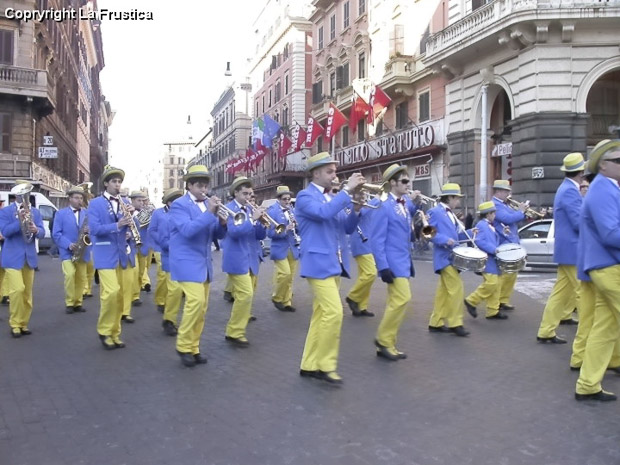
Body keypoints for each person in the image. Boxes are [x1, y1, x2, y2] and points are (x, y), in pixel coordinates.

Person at [295, 152, 364, 384]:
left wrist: (357, 208)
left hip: (334, 262)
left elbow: (347, 228)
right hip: (317, 263)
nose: (335, 176)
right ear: (316, 173)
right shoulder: (305, 196)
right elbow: (323, 214)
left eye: (335, 171)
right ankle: (325, 365)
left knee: (321, 315)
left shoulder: (332, 197)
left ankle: (309, 364)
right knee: (334, 313)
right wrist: (347, 192)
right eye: (330, 171)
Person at [575, 138, 620, 401]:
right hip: (610, 266)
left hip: (604, 266)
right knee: (605, 327)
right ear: (603, 165)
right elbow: (611, 234)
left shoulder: (606, 187)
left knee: (605, 328)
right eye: (618, 160)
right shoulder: (603, 189)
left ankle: (588, 385)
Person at [168, 165, 227, 367]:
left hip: (204, 262)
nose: (204, 189)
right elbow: (188, 230)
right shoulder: (179, 205)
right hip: (185, 260)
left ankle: (194, 348)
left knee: (201, 308)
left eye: (206, 186)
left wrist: (222, 223)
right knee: (195, 301)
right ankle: (183, 345)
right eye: (200, 185)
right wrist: (210, 212)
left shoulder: (206, 206)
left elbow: (216, 235)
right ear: (189, 186)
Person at [370, 164, 420, 360]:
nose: (408, 184)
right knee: (402, 299)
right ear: (392, 183)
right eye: (404, 181)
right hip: (393, 262)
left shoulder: (404, 203)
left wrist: (416, 203)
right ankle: (383, 339)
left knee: (395, 302)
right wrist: (383, 266)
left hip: (403, 260)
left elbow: (407, 218)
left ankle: (388, 344)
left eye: (409, 181)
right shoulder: (383, 206)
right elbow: (377, 239)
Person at [536, 153, 585, 343]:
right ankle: (588, 336)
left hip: (567, 250)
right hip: (573, 250)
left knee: (560, 293)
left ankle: (546, 331)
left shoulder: (565, 188)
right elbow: (578, 222)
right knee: (583, 293)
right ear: (581, 172)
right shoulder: (570, 191)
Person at [88, 165, 135, 349]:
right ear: (106, 183)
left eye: (119, 182)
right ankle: (104, 331)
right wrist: (118, 225)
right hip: (104, 252)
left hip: (122, 252)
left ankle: (115, 333)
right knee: (111, 292)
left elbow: (130, 227)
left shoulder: (125, 202)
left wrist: (130, 222)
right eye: (114, 181)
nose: (117, 185)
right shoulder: (95, 203)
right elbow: (95, 229)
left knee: (120, 296)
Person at [221, 177, 267, 346]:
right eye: (245, 193)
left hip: (251, 257)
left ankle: (235, 329)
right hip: (236, 258)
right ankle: (234, 332)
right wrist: (253, 219)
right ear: (236, 193)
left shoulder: (249, 209)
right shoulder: (228, 209)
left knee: (246, 294)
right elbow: (234, 232)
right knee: (246, 294)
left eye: (250, 194)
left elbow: (259, 236)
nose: (248, 197)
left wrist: (262, 223)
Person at [0, 180, 45, 338]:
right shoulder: (6, 212)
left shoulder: (36, 212)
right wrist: (19, 221)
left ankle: (23, 323)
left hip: (29, 257)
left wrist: (36, 229)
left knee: (27, 294)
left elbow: (42, 232)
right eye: (20, 193)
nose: (23, 196)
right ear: (15, 195)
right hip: (12, 256)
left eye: (26, 193)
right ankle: (15, 323)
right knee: (17, 290)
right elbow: (5, 232)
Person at [427, 183, 471, 336]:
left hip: (451, 257)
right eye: (457, 198)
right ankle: (455, 323)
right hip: (444, 257)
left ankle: (436, 322)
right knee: (457, 289)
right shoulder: (435, 211)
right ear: (450, 198)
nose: (458, 201)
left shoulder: (451, 214)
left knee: (444, 292)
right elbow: (427, 232)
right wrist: (445, 240)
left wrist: (471, 232)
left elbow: (456, 236)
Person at [464, 202, 508, 320]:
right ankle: (471, 301)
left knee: (497, 284)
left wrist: (504, 234)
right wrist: (494, 250)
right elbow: (479, 241)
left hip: (493, 260)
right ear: (488, 214)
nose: (495, 215)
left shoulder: (489, 225)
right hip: (487, 259)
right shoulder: (482, 225)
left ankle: (493, 310)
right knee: (491, 283)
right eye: (493, 213)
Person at [150, 188, 184, 336]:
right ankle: (169, 320)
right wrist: (163, 243)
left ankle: (171, 318)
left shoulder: (183, 213)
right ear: (169, 202)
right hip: (166, 252)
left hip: (183, 254)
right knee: (174, 288)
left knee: (179, 290)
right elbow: (152, 230)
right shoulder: (158, 213)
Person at [52, 185, 90, 314]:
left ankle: (78, 302)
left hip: (83, 250)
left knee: (81, 278)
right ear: (70, 199)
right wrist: (68, 244)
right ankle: (69, 302)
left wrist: (89, 231)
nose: (79, 200)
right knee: (69, 275)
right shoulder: (60, 213)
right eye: (76, 198)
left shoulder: (87, 214)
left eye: (81, 198)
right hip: (67, 251)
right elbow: (56, 233)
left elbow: (95, 231)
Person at [491, 180, 528, 311]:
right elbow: (507, 219)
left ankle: (504, 300)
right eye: (506, 191)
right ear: (498, 191)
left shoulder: (505, 205)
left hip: (511, 241)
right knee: (504, 275)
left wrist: (521, 212)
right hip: (504, 242)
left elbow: (513, 217)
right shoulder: (495, 205)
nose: (508, 194)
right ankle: (497, 301)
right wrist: (521, 211)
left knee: (512, 274)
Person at [266, 185, 300, 313]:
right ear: (279, 199)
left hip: (293, 247)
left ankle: (287, 302)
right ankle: (277, 297)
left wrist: (297, 225)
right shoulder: (272, 211)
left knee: (290, 277)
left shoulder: (292, 210)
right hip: (280, 248)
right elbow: (270, 233)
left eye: (289, 199)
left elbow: (298, 229)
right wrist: (285, 230)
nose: (287, 201)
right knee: (285, 274)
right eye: (284, 199)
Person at [345, 187, 378, 318]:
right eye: (360, 193)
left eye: (364, 193)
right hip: (360, 242)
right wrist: (378, 198)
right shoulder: (351, 205)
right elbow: (360, 214)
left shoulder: (368, 204)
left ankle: (361, 306)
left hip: (368, 242)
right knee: (371, 273)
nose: (363, 195)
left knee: (364, 276)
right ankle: (352, 297)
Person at [129, 191, 148, 308]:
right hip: (131, 246)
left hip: (143, 246)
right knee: (134, 271)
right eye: (139, 200)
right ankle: (134, 296)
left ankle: (137, 292)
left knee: (141, 272)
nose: (141, 203)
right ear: (132, 201)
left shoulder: (146, 213)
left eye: (142, 201)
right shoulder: (127, 211)